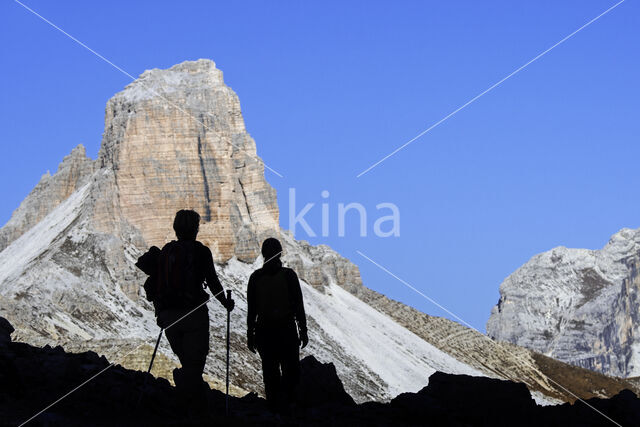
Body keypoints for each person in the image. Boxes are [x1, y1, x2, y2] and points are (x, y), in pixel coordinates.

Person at [137, 209, 234, 418]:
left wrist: (160, 313)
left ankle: (190, 404)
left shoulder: (166, 251)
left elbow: (155, 284)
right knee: (194, 365)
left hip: (169, 317)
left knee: (188, 364)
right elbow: (214, 282)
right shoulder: (201, 252)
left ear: (175, 227)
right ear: (195, 229)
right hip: (194, 316)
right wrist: (225, 302)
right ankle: (185, 407)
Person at [246, 237, 308, 414]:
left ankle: (274, 411)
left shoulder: (255, 278)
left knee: (271, 375)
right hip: (286, 331)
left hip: (264, 333)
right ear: (280, 253)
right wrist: (303, 330)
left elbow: (252, 310)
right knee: (291, 374)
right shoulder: (289, 275)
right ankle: (291, 411)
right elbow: (298, 306)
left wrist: (250, 334)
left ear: (263, 254)